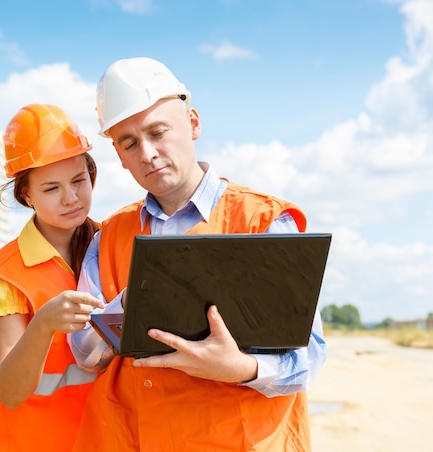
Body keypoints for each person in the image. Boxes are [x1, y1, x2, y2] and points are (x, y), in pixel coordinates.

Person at [70, 57, 327, 451]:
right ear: (119, 156)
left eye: (159, 132)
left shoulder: (263, 222)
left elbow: (308, 358)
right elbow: (86, 354)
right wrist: (129, 310)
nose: (148, 153)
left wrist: (239, 369)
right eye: (129, 143)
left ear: (192, 123)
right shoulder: (108, 238)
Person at [0, 103, 105, 451]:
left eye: (79, 181)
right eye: (51, 188)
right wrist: (43, 324)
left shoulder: (110, 246)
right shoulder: (6, 278)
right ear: (26, 195)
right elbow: (9, 392)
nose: (71, 198)